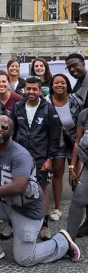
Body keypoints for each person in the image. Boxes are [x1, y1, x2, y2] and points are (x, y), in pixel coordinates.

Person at [0, 115, 80, 265]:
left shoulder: (19, 155)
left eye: (4, 127)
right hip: (7, 203)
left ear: (12, 132)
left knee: (24, 258)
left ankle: (62, 242)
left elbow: (19, 186)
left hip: (27, 211)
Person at [12, 76, 61, 240]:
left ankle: (44, 225)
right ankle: (12, 223)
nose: (31, 92)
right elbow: (12, 131)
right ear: (24, 90)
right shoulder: (17, 107)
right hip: (20, 157)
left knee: (42, 190)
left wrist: (50, 158)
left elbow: (54, 137)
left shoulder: (49, 110)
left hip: (41, 157)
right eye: (28, 89)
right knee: (15, 188)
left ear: (41, 91)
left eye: (34, 89)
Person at [46, 74, 84, 222]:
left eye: (63, 82)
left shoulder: (75, 100)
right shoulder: (47, 101)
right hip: (57, 143)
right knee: (57, 174)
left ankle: (77, 207)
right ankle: (57, 208)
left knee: (75, 175)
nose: (59, 85)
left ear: (67, 85)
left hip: (75, 142)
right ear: (52, 86)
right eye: (56, 83)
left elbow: (82, 120)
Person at [65, 53, 88, 236]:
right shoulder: (78, 85)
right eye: (69, 67)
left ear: (83, 63)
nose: (73, 69)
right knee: (81, 195)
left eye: (75, 65)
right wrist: (73, 165)